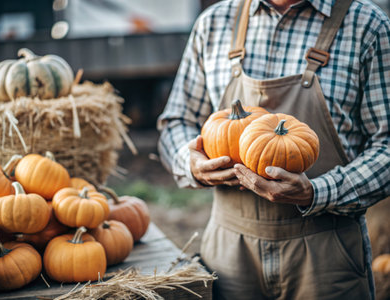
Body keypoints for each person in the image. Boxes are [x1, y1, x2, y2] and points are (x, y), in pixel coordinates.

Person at [157, 0, 390, 299]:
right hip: (229, 254)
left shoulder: (367, 25)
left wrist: (317, 192)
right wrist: (191, 163)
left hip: (327, 254)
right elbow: (177, 120)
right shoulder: (214, 22)